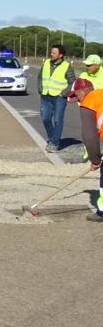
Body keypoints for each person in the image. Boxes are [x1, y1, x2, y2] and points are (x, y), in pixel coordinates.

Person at [65, 78, 103, 221]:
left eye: (76, 96)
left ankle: (102, 212)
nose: (77, 101)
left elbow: (89, 136)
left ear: (82, 91)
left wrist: (95, 159)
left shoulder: (88, 102)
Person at [39, 44, 75, 152]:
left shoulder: (66, 66)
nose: (51, 54)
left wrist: (63, 93)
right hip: (45, 96)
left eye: (54, 53)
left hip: (59, 98)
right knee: (45, 119)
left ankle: (54, 143)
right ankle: (52, 138)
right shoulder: (46, 63)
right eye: (51, 52)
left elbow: (72, 82)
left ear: (61, 55)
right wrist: (40, 89)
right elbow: (40, 77)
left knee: (58, 120)